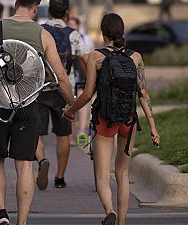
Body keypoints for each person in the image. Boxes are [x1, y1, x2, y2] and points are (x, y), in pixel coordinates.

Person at [0, 0, 75, 224]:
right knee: (24, 164)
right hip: (28, 104)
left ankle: (0, 213)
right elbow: (61, 77)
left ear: (15, 4)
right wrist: (71, 105)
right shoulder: (42, 34)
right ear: (35, 6)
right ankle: (22, 221)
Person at [63, 13, 160, 225]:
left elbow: (88, 94)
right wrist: (153, 128)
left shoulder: (95, 57)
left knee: (102, 176)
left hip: (105, 122)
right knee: (123, 174)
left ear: (103, 33)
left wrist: (70, 109)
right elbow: (143, 93)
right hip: (128, 121)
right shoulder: (136, 57)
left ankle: (109, 210)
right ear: (122, 32)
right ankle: (121, 222)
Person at [35, 0, 89, 191]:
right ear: (67, 12)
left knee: (37, 133)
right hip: (64, 91)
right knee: (63, 135)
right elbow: (85, 59)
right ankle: (59, 177)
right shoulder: (73, 35)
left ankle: (41, 161)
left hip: (39, 90)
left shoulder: (39, 31)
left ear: (49, 10)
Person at [68, 16, 93, 149]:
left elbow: (89, 58)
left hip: (81, 79)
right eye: (70, 25)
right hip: (70, 79)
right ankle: (71, 135)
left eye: (74, 25)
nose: (72, 27)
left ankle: (82, 132)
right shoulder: (66, 38)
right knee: (71, 106)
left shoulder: (85, 39)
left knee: (82, 105)